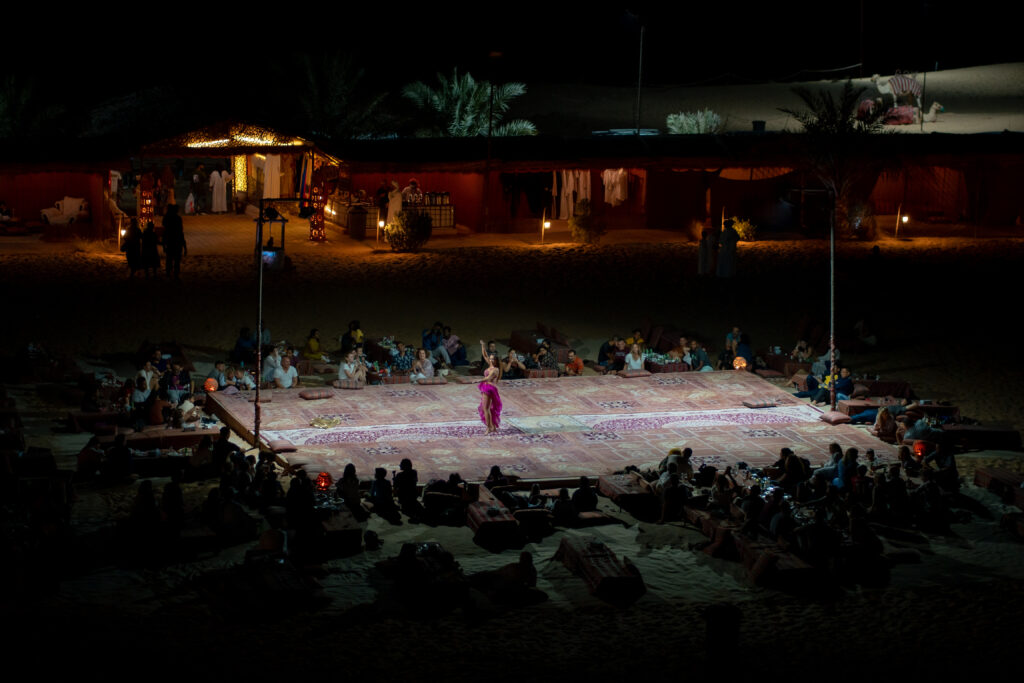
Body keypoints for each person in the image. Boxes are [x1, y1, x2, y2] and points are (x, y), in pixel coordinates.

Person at [478, 340, 502, 434]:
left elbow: (488, 377)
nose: (490, 360)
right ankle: (492, 427)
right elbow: (484, 355)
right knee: (488, 408)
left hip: (489, 389)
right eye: (490, 359)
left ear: (496, 361)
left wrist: (478, 380)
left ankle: (489, 427)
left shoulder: (496, 369)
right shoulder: (490, 365)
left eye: (492, 359)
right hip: (486, 387)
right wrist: (483, 346)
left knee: (486, 409)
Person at [161, 204, 186, 279]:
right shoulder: (178, 218)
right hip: (177, 240)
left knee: (169, 258)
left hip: (169, 240)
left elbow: (164, 230)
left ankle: (169, 272)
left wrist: (163, 244)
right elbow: (181, 231)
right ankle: (176, 273)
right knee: (177, 259)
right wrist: (184, 245)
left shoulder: (166, 218)